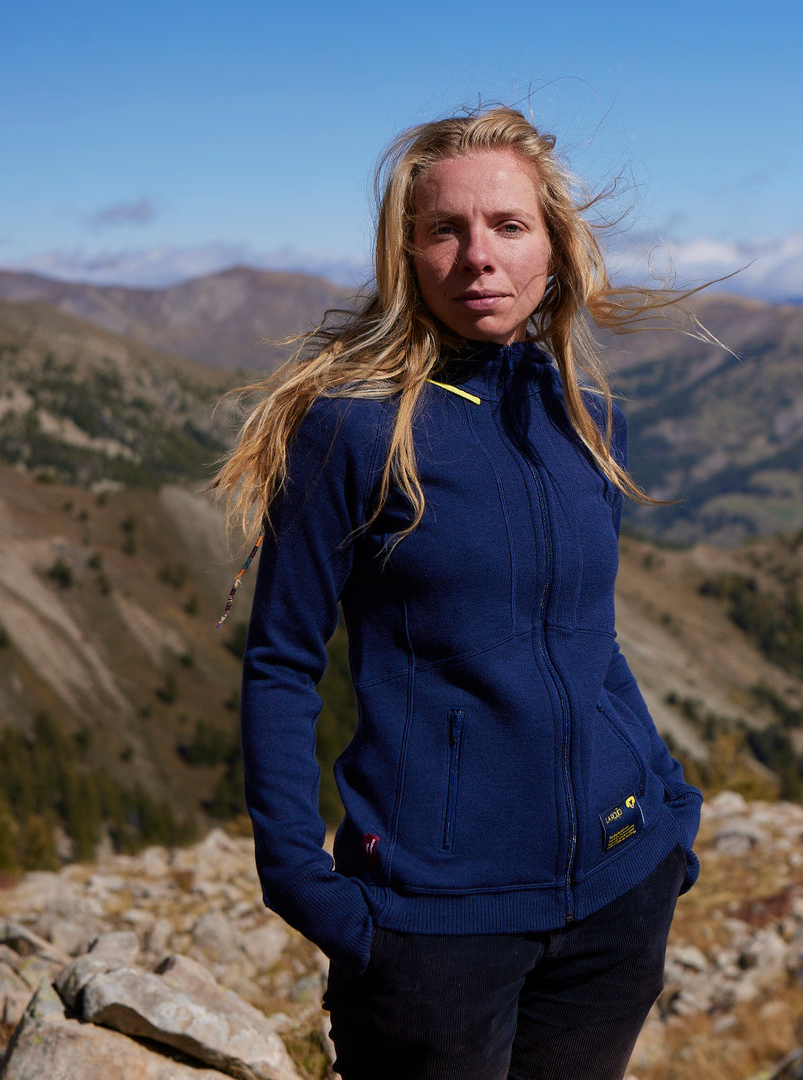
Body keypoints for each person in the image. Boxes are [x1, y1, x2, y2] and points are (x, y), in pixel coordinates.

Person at [213, 106, 704, 1080]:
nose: (479, 256)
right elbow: (280, 665)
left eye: (508, 227)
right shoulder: (352, 432)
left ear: (554, 248)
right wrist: (304, 886)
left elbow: (591, 643)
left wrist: (671, 811)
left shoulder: (589, 419)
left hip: (617, 907)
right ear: (408, 255)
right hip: (434, 933)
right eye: (446, 230)